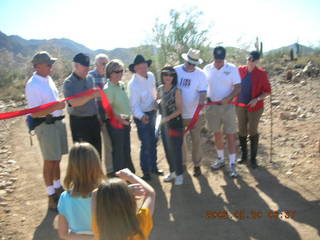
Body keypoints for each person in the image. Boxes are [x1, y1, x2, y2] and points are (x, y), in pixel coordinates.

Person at [25, 51, 68, 210]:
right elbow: (35, 113)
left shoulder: (48, 79)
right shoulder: (32, 85)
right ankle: (51, 195)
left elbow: (52, 102)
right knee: (49, 161)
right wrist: (56, 106)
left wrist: (58, 105)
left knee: (56, 159)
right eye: (48, 64)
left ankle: (58, 188)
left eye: (51, 64)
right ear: (38, 66)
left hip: (57, 123)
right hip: (46, 125)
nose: (51, 67)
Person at [203, 46, 241, 177]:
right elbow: (203, 87)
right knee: (217, 134)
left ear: (224, 58)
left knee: (230, 135)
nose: (218, 62)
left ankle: (232, 164)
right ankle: (220, 159)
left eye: (221, 60)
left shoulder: (232, 68)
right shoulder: (207, 69)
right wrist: (205, 99)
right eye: (216, 59)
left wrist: (228, 98)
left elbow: (237, 87)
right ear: (213, 57)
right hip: (212, 107)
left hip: (228, 107)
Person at [58, 142, 105, 239]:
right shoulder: (105, 194)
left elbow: (63, 234)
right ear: (97, 165)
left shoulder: (64, 197)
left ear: (71, 168)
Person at [92, 168, 155, 240]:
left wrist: (117, 192)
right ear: (129, 200)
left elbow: (95, 194)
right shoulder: (140, 222)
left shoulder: (99, 225)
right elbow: (150, 193)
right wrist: (130, 176)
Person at [128, 55, 163, 181]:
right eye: (140, 68)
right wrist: (142, 116)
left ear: (147, 66)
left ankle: (153, 167)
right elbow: (134, 105)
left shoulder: (152, 76)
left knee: (153, 141)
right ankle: (145, 171)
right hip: (141, 116)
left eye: (144, 67)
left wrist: (156, 101)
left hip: (153, 112)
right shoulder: (133, 84)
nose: (143, 70)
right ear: (135, 69)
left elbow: (153, 91)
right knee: (146, 143)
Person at [174, 48, 207, 177]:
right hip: (178, 114)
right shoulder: (176, 71)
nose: (191, 66)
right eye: (189, 63)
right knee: (180, 140)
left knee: (196, 140)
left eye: (194, 64)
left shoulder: (201, 74)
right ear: (185, 60)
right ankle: (182, 163)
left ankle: (197, 165)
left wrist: (202, 101)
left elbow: (203, 91)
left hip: (195, 114)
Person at [236, 51, 271, 168]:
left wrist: (257, 99)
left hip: (255, 107)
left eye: (253, 60)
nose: (250, 62)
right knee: (241, 130)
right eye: (249, 59)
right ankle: (244, 156)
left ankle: (253, 159)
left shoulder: (262, 73)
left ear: (257, 61)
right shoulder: (239, 70)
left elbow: (267, 91)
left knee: (252, 130)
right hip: (240, 105)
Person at [63, 53, 101, 155]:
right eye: (84, 68)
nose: (87, 71)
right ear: (76, 66)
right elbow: (73, 102)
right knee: (83, 156)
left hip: (93, 120)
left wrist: (98, 117)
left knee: (97, 153)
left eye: (88, 68)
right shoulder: (69, 83)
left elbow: (93, 102)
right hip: (79, 123)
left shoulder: (89, 79)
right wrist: (92, 95)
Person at [104, 59, 135, 174]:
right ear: (110, 73)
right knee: (119, 151)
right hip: (116, 124)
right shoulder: (108, 89)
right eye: (117, 72)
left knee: (126, 149)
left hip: (124, 122)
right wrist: (122, 121)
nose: (120, 74)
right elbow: (109, 111)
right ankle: (122, 178)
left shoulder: (121, 85)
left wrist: (127, 118)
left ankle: (129, 175)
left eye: (121, 71)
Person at [87, 53, 114, 175]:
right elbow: (89, 99)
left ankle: (109, 170)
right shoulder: (89, 77)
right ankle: (96, 173)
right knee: (94, 146)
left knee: (109, 144)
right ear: (96, 64)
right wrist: (96, 115)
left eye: (107, 63)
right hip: (94, 116)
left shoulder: (110, 77)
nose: (105, 66)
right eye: (103, 63)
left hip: (108, 115)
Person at [158, 66, 184, 185]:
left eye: (171, 74)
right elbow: (158, 104)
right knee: (168, 150)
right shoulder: (160, 89)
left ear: (174, 77)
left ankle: (179, 174)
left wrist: (166, 119)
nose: (168, 77)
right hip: (164, 125)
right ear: (162, 76)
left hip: (175, 124)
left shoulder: (177, 90)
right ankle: (172, 172)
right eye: (165, 74)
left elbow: (180, 110)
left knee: (176, 150)